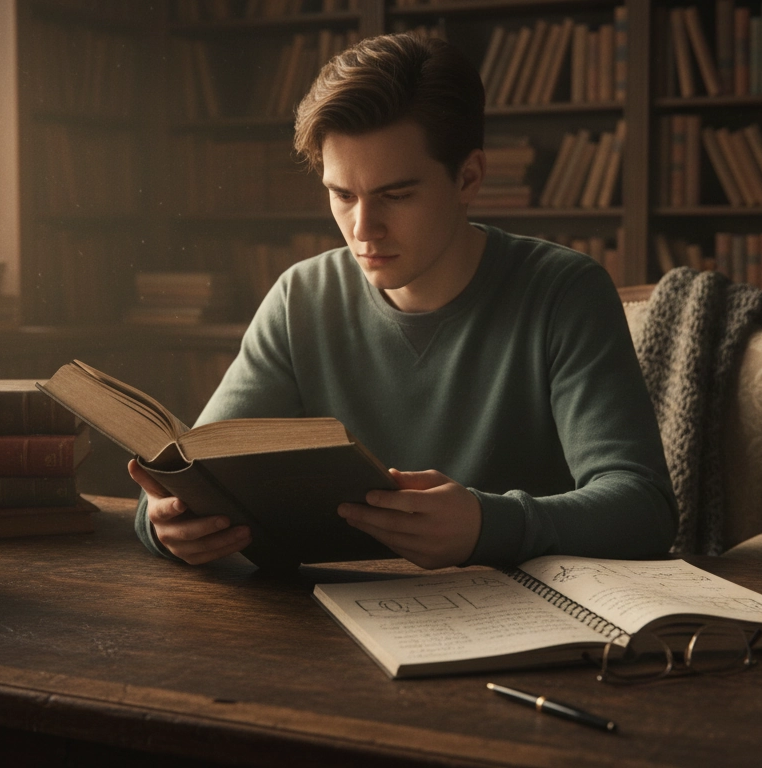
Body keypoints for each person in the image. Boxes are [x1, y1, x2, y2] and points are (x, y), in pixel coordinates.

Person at [131, 33, 676, 569]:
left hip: (517, 625)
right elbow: (192, 473)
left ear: (468, 177)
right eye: (342, 195)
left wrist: (490, 525)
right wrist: (164, 523)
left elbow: (643, 508)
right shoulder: (301, 297)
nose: (363, 229)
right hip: (326, 622)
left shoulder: (564, 292)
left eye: (396, 195)